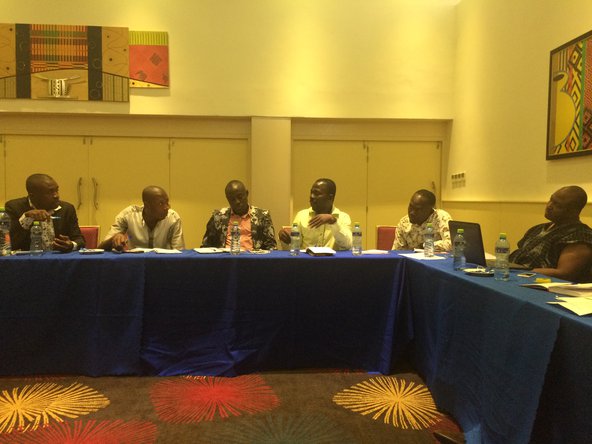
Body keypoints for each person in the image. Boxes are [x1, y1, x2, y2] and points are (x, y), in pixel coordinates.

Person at [509, 185, 592, 282]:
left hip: (544, 287)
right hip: (515, 277)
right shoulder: (538, 229)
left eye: (558, 205)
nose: (549, 206)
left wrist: (523, 272)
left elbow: (565, 274)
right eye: (551, 200)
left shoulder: (580, 236)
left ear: (573, 211)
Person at [5, 173, 85, 252]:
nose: (56, 195)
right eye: (50, 192)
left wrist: (71, 245)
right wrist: (26, 218)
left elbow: (80, 240)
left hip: (59, 261)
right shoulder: (14, 208)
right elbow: (10, 244)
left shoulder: (67, 209)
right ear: (32, 195)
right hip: (27, 261)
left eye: (56, 190)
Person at [99, 186, 184, 251]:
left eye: (167, 202)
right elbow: (100, 248)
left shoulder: (173, 218)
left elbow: (180, 252)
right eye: (161, 203)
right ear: (147, 205)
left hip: (163, 266)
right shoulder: (128, 215)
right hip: (133, 265)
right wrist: (114, 238)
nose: (167, 207)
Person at [201, 180, 277, 251]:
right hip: (225, 261)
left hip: (253, 261)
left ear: (247, 194)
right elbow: (206, 246)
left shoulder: (262, 216)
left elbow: (271, 247)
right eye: (232, 199)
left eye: (240, 197)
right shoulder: (218, 217)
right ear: (228, 199)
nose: (237, 202)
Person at [279, 178, 352, 250]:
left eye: (317, 193)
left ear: (330, 197)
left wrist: (333, 221)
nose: (312, 196)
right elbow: (294, 248)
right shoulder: (301, 215)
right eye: (311, 193)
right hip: (306, 261)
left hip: (332, 261)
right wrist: (285, 239)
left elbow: (348, 245)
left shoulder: (343, 217)